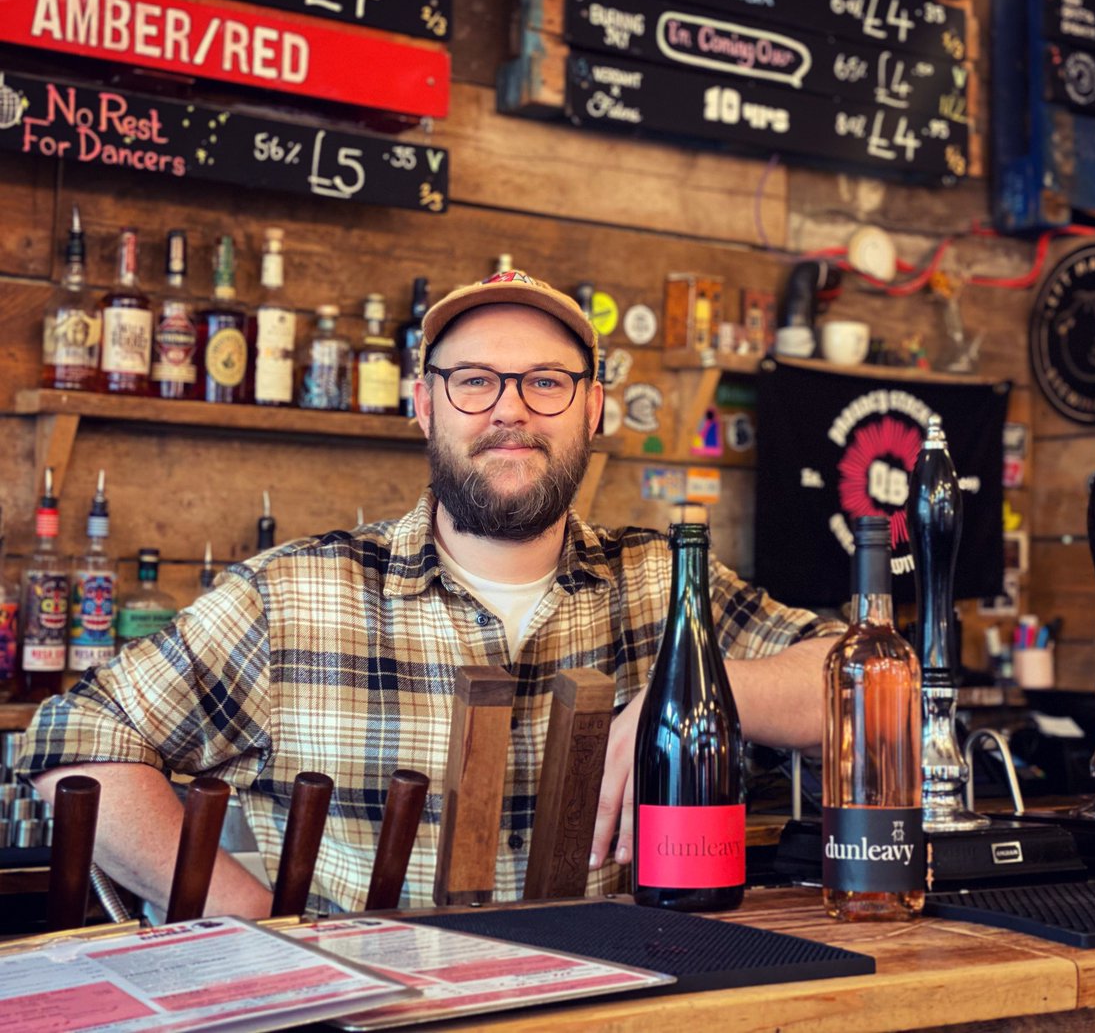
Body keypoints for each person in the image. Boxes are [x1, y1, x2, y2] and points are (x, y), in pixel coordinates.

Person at [18, 269, 841, 918]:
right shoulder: (298, 594)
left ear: (594, 408)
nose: (510, 411)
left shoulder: (663, 581)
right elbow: (72, 740)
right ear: (424, 406)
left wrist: (691, 693)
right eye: (473, 381)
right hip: (375, 1016)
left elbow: (865, 682)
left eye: (547, 383)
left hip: (625, 1007)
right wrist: (260, 920)